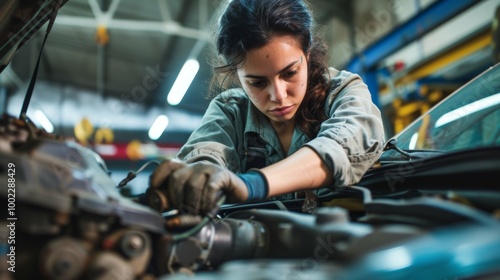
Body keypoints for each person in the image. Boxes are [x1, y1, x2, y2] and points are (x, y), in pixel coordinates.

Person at [150, 0, 385, 215]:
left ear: (307, 53)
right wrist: (197, 177)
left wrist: (251, 185)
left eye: (290, 73)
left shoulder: (343, 92)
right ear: (237, 76)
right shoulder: (230, 112)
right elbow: (204, 155)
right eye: (258, 82)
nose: (278, 96)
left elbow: (342, 147)